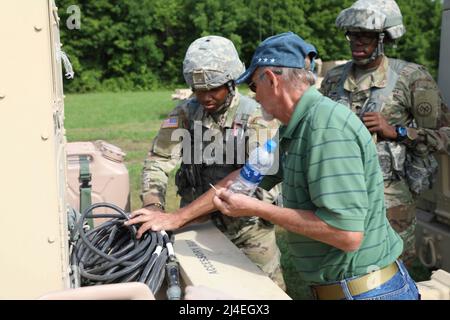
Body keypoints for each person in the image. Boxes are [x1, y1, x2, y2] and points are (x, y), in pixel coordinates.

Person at [212, 31, 419, 300]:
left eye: (253, 86)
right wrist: (176, 218)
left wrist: (255, 208)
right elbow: (248, 177)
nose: (254, 96)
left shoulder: (326, 129)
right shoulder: (298, 126)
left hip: (368, 293)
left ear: (272, 80)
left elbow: (346, 233)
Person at [126, 35, 285, 290]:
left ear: (231, 82)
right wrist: (154, 205)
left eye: (214, 89)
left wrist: (180, 216)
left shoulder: (257, 117)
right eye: (199, 90)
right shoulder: (185, 114)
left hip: (247, 232)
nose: (206, 97)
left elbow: (254, 183)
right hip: (197, 228)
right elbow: (158, 160)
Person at [320, 0, 450, 266]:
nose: (357, 42)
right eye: (353, 35)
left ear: (383, 38)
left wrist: (396, 131)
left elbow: (445, 134)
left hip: (390, 199)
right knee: (340, 267)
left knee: (390, 270)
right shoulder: (334, 79)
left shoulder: (411, 77)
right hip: (339, 193)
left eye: (365, 35)